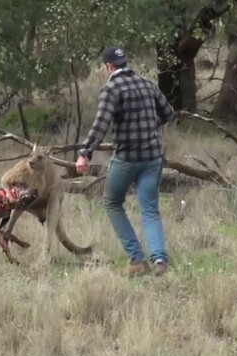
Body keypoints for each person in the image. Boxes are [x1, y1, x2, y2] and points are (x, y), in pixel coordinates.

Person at [75, 45, 175, 278]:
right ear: (125, 63)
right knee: (149, 208)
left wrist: (84, 153)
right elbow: (169, 113)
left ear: (108, 66)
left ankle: (137, 260)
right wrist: (148, 127)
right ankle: (159, 259)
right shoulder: (147, 84)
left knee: (111, 202)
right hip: (153, 156)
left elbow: (100, 124)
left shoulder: (111, 88)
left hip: (127, 158)